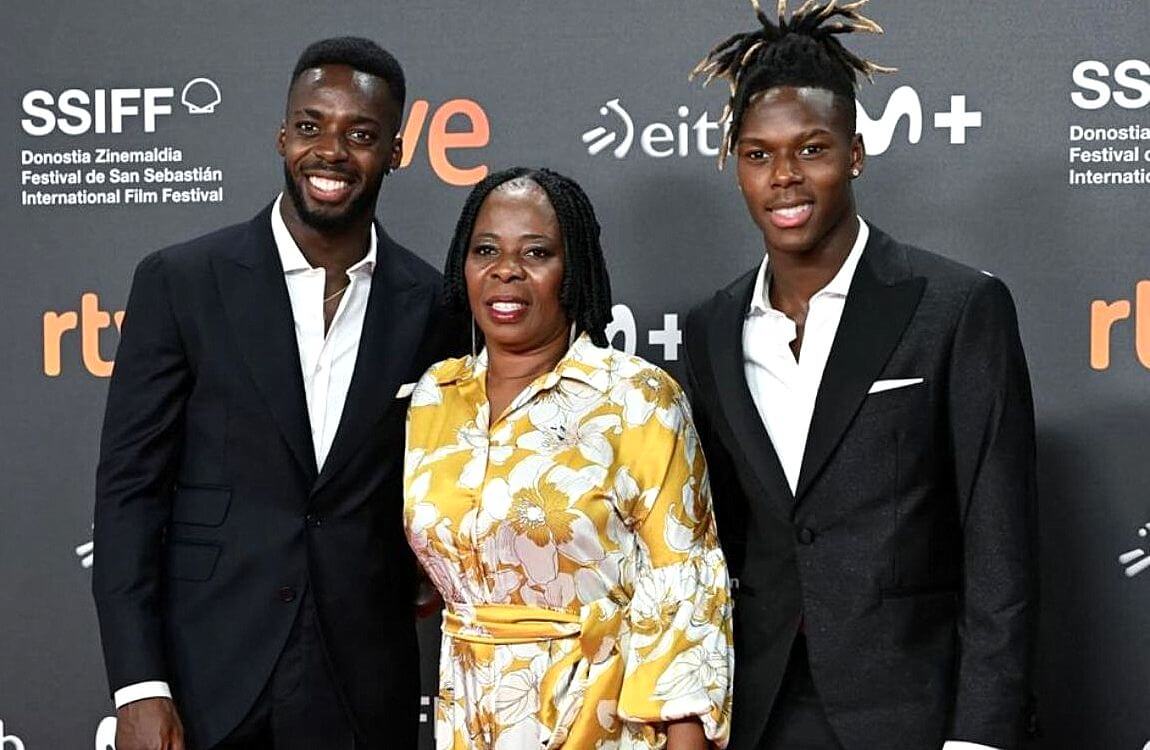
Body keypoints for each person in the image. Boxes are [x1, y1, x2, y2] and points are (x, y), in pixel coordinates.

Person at [683, 3, 1037, 749]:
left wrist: (980, 736)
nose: (784, 177)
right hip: (761, 711)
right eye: (757, 155)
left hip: (914, 712)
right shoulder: (711, 330)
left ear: (855, 152)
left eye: (810, 148)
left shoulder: (956, 307)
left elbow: (999, 543)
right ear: (736, 165)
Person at [93, 37, 460, 750]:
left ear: (395, 150)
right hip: (207, 679)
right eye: (310, 125)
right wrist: (139, 686)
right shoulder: (182, 282)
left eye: (360, 133)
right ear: (281, 135)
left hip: (362, 686)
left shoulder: (434, 306)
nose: (330, 151)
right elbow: (129, 493)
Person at [403, 167, 733, 749]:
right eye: (486, 250)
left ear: (571, 269)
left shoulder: (636, 398)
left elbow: (685, 580)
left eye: (536, 252)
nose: (507, 270)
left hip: (603, 720)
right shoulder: (436, 397)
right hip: (469, 717)